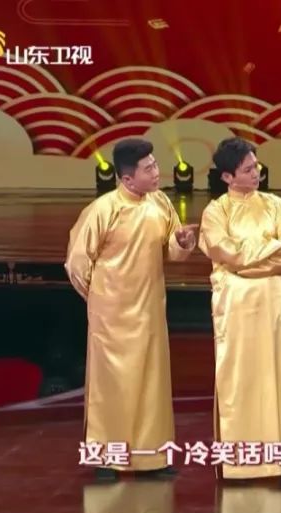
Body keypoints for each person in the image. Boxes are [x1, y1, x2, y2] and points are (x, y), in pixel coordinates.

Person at [64, 138, 199, 481]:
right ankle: (107, 458)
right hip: (112, 316)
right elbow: (77, 263)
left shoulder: (160, 202)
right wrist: (99, 301)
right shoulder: (103, 210)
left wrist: (182, 243)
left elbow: (173, 245)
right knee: (112, 387)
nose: (156, 173)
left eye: (155, 165)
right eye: (148, 168)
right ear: (127, 178)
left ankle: (151, 457)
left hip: (150, 309)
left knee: (151, 385)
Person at [199, 137, 281, 480]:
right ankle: (246, 463)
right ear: (227, 177)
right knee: (243, 381)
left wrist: (245, 262)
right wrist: (265, 250)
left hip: (275, 302)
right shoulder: (216, 212)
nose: (256, 173)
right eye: (247, 169)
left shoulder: (276, 205)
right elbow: (223, 252)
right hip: (236, 306)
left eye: (256, 166)